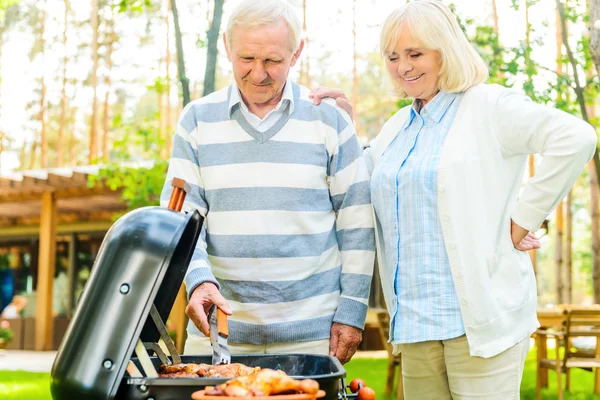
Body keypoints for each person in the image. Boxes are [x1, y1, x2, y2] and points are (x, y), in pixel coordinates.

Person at [310, 0, 597, 398]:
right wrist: (345, 125)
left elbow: (576, 137)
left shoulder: (490, 106)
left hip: (478, 327)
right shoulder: (398, 127)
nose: (403, 67)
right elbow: (360, 183)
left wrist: (523, 218)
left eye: (415, 54)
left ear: (445, 52)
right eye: (393, 56)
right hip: (414, 328)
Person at [160, 0, 374, 364]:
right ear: (226, 46)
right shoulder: (196, 120)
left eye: (273, 60)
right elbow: (180, 217)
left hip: (312, 335)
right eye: (246, 58)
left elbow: (357, 221)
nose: (259, 73)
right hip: (218, 333)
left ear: (297, 52)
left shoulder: (329, 120)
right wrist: (198, 279)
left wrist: (351, 312)